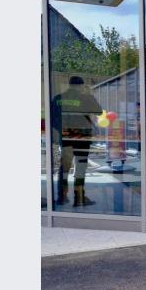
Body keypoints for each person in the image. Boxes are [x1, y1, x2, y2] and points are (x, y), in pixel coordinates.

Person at [52, 76, 102, 207]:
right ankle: (79, 197)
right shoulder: (85, 98)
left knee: (64, 168)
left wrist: (61, 131)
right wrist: (89, 95)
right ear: (80, 85)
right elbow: (98, 111)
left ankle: (61, 197)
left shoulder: (59, 98)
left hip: (66, 136)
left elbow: (52, 118)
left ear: (69, 85)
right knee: (80, 167)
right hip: (82, 138)